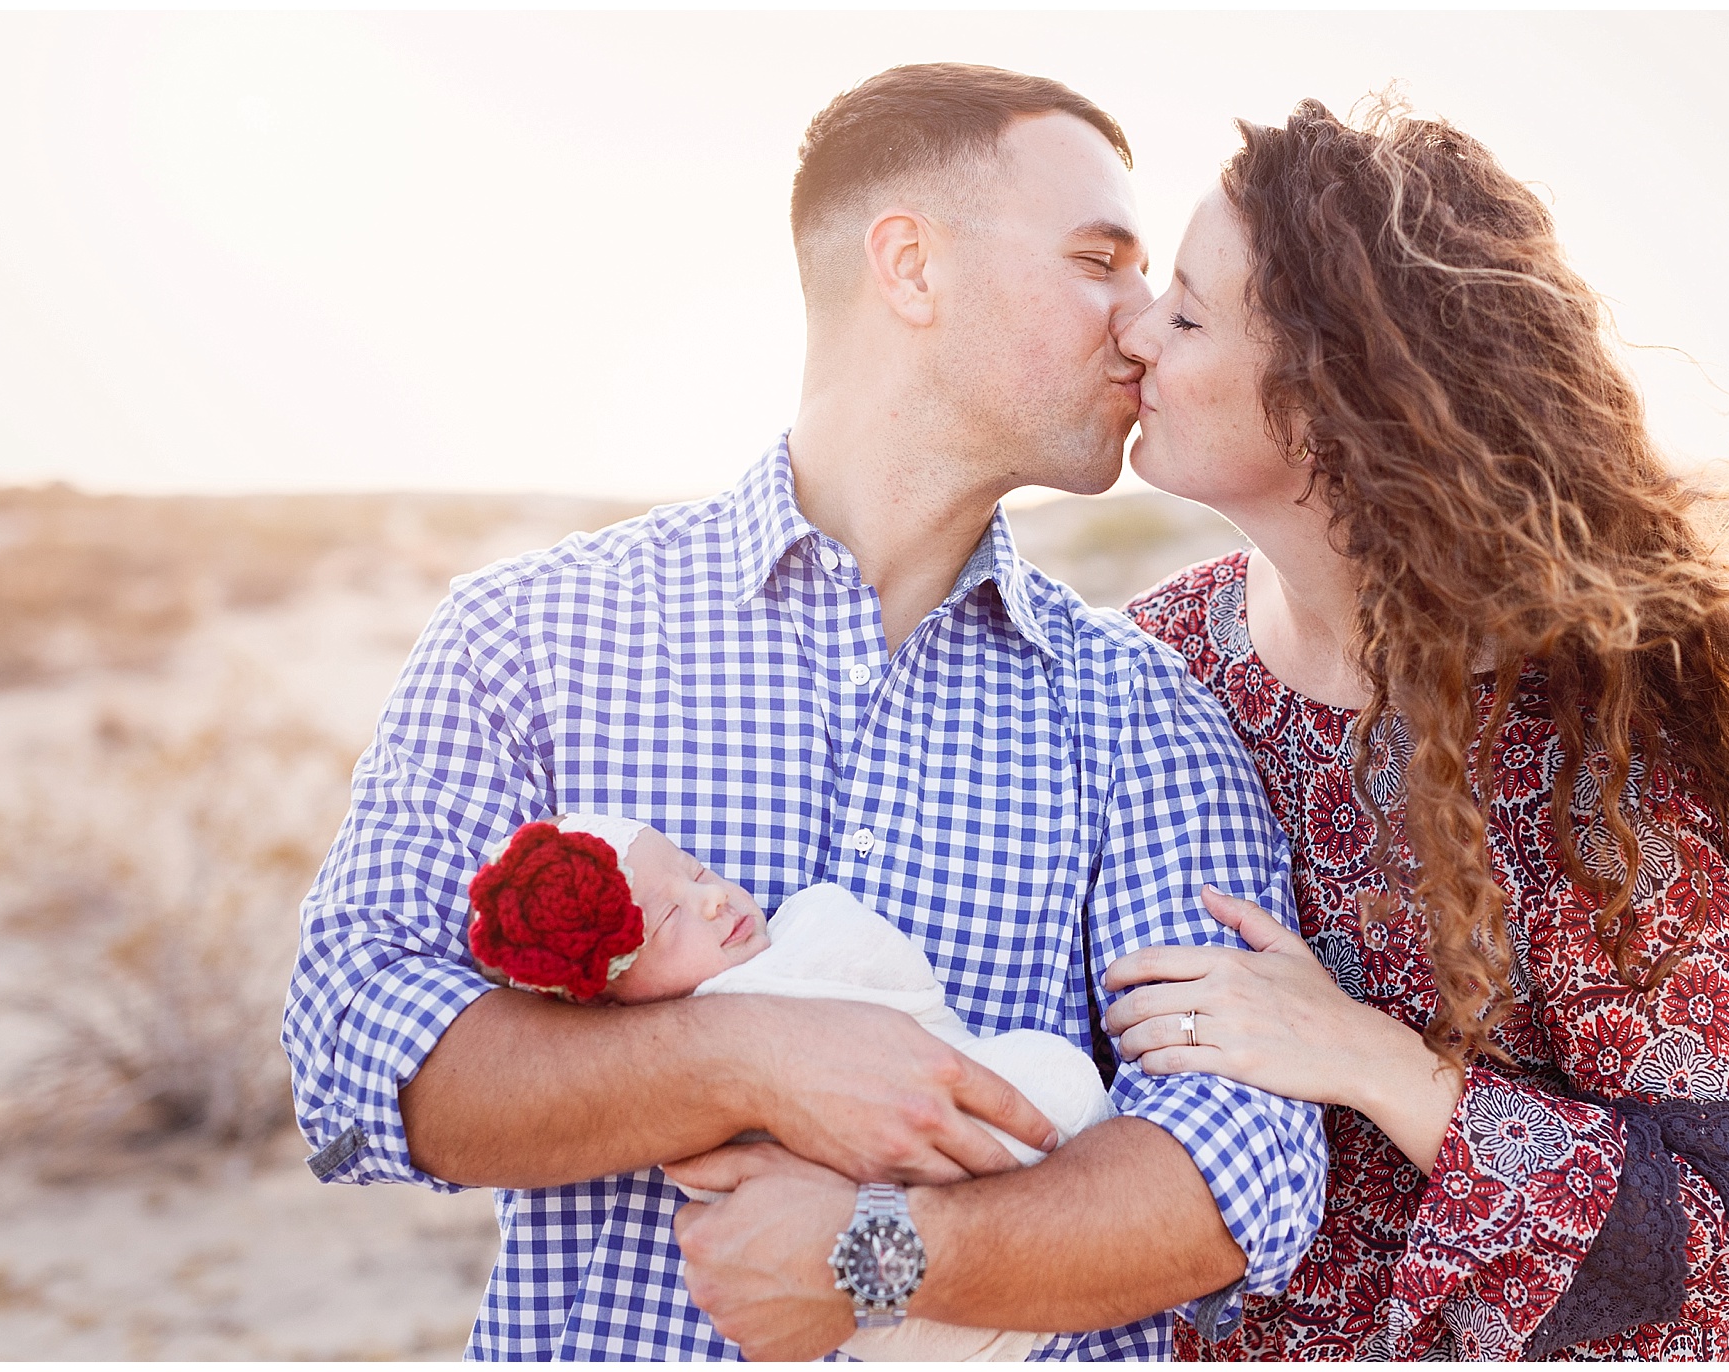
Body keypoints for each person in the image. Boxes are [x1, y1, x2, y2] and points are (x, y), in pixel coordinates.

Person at [282, 63, 1328, 1361]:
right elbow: (351, 1055)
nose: (1140, 324)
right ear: (910, 265)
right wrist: (749, 1058)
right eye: (1098, 258)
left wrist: (876, 1260)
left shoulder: (1145, 721)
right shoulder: (532, 635)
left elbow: (1246, 1174)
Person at [1103, 96, 1729, 1359]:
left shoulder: (1591, 734)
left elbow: (1696, 1239)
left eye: (1186, 309)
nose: (1134, 332)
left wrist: (1368, 1058)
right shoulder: (1149, 662)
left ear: (1333, 399)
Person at [462, 813, 1117, 1361]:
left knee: (1054, 1080)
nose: (713, 898)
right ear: (610, 1004)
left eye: (698, 871)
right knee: (1057, 1081)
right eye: (669, 921)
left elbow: (907, 991)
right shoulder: (661, 1072)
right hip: (850, 1272)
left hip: (1020, 1216)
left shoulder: (795, 933)